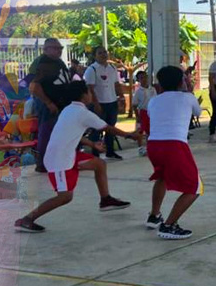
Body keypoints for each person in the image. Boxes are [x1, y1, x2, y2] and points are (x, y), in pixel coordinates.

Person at [14, 82, 135, 233]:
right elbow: (108, 128)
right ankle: (27, 219)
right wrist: (131, 135)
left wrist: (92, 143)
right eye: (90, 93)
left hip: (66, 154)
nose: (92, 95)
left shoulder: (69, 110)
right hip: (59, 160)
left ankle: (105, 200)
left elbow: (72, 134)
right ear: (84, 95)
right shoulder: (83, 113)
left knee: (99, 164)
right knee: (65, 197)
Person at [144, 66, 203, 240]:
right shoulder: (188, 97)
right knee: (194, 187)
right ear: (181, 82)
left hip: (154, 146)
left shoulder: (154, 101)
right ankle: (168, 225)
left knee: (162, 177)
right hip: (175, 146)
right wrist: (189, 91)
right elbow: (197, 112)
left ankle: (154, 215)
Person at [29, 38, 73, 173]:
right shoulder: (43, 63)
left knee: (60, 134)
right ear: (46, 49)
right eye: (55, 48)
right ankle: (42, 163)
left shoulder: (58, 62)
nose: (59, 50)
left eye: (60, 48)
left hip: (61, 104)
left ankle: (58, 161)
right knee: (47, 133)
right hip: (49, 105)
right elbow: (34, 86)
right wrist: (48, 102)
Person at [84, 46, 123, 160]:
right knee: (97, 129)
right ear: (95, 56)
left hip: (112, 102)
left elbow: (116, 84)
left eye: (105, 52)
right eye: (100, 53)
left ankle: (110, 151)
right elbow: (90, 88)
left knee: (111, 128)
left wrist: (121, 97)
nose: (103, 55)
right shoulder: (92, 69)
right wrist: (95, 104)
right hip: (99, 104)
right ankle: (95, 154)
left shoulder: (112, 68)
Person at [132, 70, 152, 156]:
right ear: (138, 80)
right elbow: (134, 105)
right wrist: (137, 116)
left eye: (145, 77)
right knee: (140, 130)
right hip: (143, 111)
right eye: (141, 78)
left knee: (150, 131)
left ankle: (149, 147)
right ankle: (140, 148)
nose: (144, 79)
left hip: (152, 112)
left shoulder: (152, 89)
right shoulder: (138, 91)